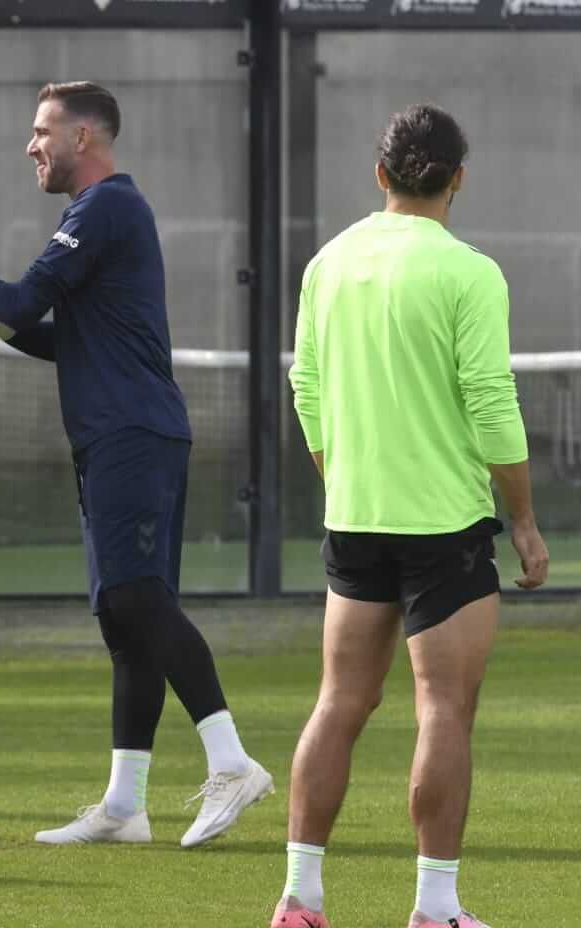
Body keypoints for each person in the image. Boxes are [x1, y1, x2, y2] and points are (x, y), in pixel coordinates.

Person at [0, 81, 271, 848]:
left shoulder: (107, 206)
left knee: (137, 599)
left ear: (84, 137)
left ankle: (231, 760)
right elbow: (55, 335)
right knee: (124, 618)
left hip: (134, 434)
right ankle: (125, 807)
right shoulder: (94, 217)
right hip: (117, 437)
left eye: (41, 130)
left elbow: (23, 301)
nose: (31, 146)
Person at [271, 104, 548, 928]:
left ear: (380, 173)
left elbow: (306, 388)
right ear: (459, 177)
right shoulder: (469, 271)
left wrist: (340, 480)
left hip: (355, 520)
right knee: (443, 710)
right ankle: (434, 909)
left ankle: (300, 900)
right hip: (444, 527)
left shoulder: (328, 262)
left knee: (338, 703)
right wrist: (525, 521)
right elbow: (492, 404)